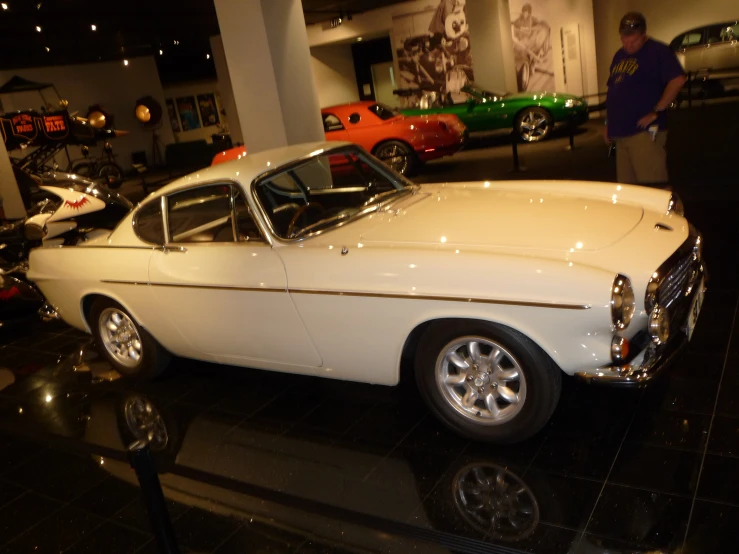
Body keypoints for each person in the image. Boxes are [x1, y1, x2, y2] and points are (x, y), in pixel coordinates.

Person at [605, 12, 686, 187]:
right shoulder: (619, 55)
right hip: (621, 133)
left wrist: (656, 110)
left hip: (644, 131)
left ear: (643, 35)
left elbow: (678, 79)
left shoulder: (658, 52)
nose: (628, 45)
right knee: (628, 190)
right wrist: (608, 123)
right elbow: (613, 90)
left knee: (653, 186)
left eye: (633, 40)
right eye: (624, 40)